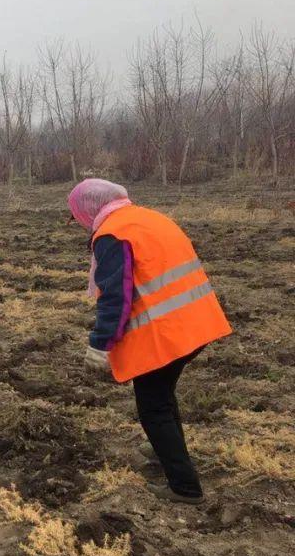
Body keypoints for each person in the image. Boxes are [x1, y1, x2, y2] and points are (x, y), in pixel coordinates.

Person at [69, 178, 232, 505]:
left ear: (89, 209)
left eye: (77, 215)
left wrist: (100, 344)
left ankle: (185, 488)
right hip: (197, 322)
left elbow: (115, 297)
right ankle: (168, 455)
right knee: (163, 398)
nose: (80, 222)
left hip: (166, 333)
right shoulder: (148, 218)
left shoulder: (113, 234)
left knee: (153, 407)